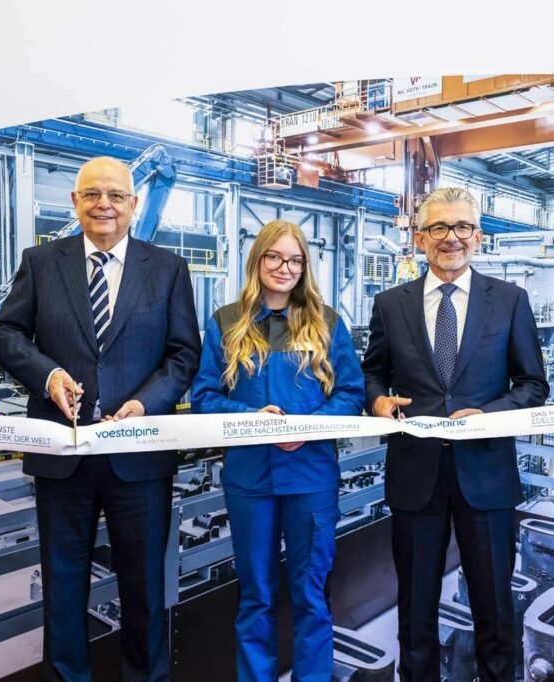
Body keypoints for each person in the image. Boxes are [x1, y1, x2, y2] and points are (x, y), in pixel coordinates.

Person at [0, 156, 201, 681]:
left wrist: (146, 404)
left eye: (115, 195)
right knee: (63, 590)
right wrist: (49, 375)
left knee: (145, 591)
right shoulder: (41, 262)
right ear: (75, 203)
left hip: (139, 456)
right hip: (64, 454)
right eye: (92, 194)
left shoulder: (168, 269)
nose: (104, 204)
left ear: (133, 204)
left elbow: (183, 354)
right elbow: (5, 334)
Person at [361, 187, 549, 681]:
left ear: (478, 237)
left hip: (485, 474)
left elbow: (533, 385)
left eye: (462, 227)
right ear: (420, 238)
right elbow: (372, 373)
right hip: (415, 475)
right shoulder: (390, 304)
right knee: (415, 611)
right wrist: (377, 400)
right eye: (440, 228)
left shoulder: (509, 301)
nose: (452, 238)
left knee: (494, 611)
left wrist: (487, 414)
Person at [191, 220, 365, 681]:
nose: (284, 268)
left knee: (310, 595)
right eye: (275, 257)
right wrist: (253, 419)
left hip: (310, 476)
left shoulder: (325, 322)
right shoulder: (226, 323)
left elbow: (351, 392)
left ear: (304, 265)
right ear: (258, 260)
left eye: (294, 259)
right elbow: (204, 397)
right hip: (250, 478)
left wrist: (308, 428)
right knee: (256, 596)